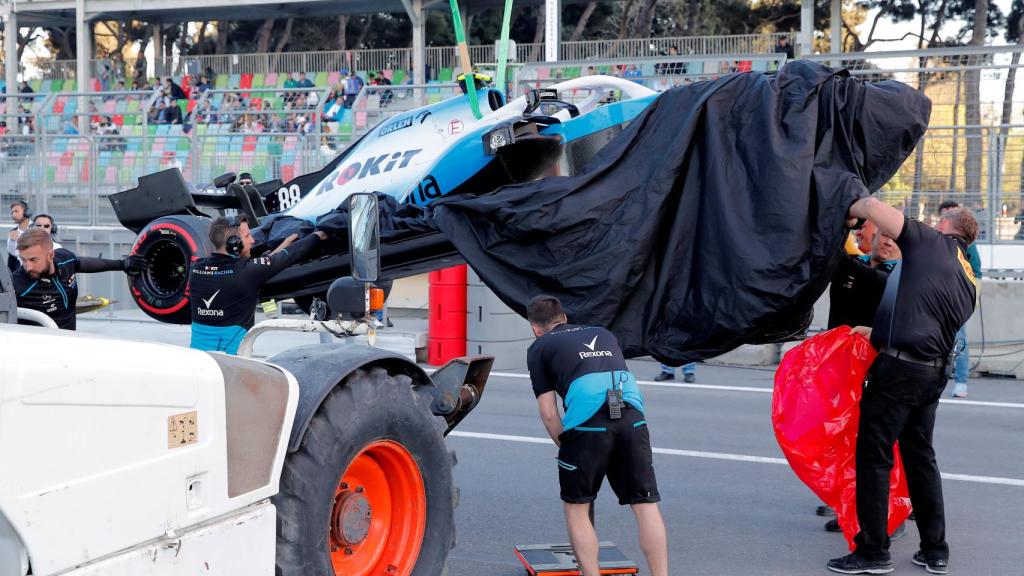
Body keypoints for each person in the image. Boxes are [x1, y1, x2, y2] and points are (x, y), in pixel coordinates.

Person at [826, 197, 979, 575]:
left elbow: (873, 206)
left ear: (946, 226)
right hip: (931, 374)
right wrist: (876, 332)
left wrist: (853, 205)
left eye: (937, 221)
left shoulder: (931, 242)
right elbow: (922, 314)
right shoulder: (967, 276)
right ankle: (934, 549)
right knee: (920, 457)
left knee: (874, 457)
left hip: (898, 372)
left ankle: (873, 552)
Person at [526, 295, 668, 576]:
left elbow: (549, 414)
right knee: (645, 504)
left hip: (588, 427)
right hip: (632, 419)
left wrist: (567, 445)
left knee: (577, 507)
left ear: (535, 328)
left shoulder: (539, 347)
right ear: (564, 317)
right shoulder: (603, 334)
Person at [821, 225, 902, 533]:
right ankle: (848, 503)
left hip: (879, 368)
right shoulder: (852, 267)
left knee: (878, 442)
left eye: (895, 240)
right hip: (841, 363)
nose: (888, 244)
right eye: (885, 237)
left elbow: (861, 273)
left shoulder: (899, 278)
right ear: (874, 238)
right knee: (845, 436)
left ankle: (891, 507)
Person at [188, 215, 329, 355]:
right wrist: (316, 236)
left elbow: (263, 264)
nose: (253, 240)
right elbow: (288, 255)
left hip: (199, 361)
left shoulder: (196, 269)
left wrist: (284, 244)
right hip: (233, 363)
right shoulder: (247, 272)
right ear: (234, 243)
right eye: (248, 236)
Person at [13, 228, 145, 330]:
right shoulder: (18, 284)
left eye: (33, 260)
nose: (28, 267)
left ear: (51, 255)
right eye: (23, 260)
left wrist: (122, 264)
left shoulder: (65, 259)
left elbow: (81, 263)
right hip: (39, 354)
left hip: (70, 342)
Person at [938, 201, 982, 398]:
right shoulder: (937, 241)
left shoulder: (965, 243)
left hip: (958, 293)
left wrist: (970, 297)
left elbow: (976, 271)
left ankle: (961, 381)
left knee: (959, 337)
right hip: (938, 293)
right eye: (945, 214)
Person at [7, 200, 31, 272]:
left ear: (27, 213)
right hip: (19, 270)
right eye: (12, 212)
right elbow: (12, 253)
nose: (13, 215)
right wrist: (12, 241)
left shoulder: (37, 228)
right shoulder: (13, 232)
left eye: (16, 211)